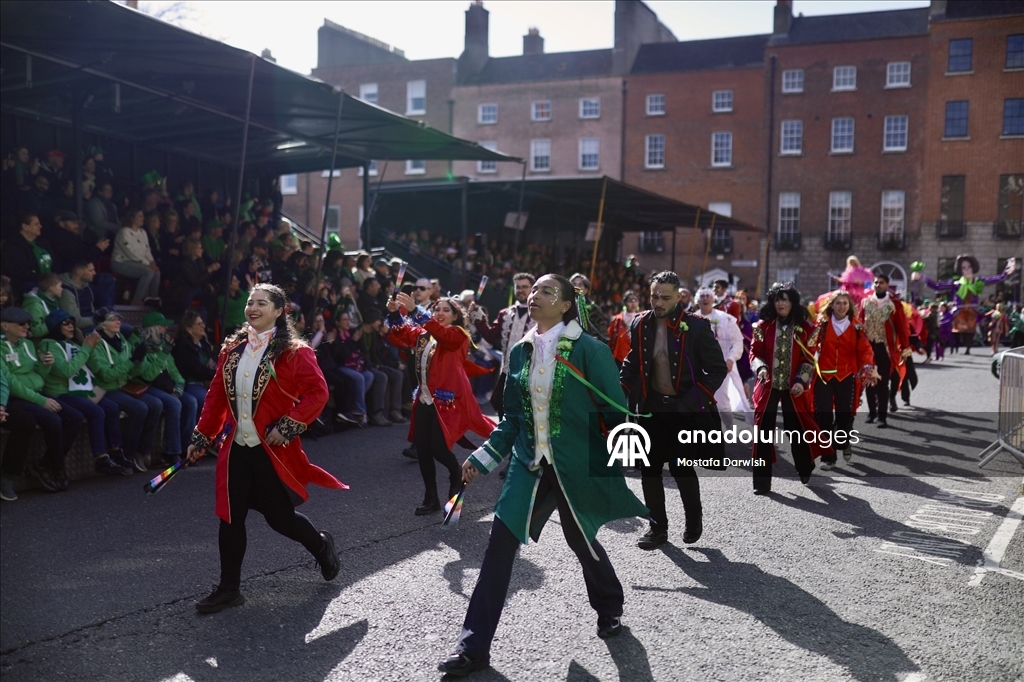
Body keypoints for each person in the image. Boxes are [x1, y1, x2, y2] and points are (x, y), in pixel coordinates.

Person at [439, 274, 648, 677]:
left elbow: (615, 413)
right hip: (527, 463)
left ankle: (609, 604)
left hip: (574, 464)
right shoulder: (520, 351)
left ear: (567, 305)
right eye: (532, 290)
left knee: (580, 539)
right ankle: (473, 646)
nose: (535, 296)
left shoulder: (590, 349)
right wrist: (480, 459)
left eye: (546, 291)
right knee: (498, 547)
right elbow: (512, 420)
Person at [185, 283, 345, 614]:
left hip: (271, 450)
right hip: (236, 449)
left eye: (262, 303)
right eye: (249, 302)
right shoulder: (231, 350)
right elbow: (215, 397)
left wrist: (288, 425)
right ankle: (229, 589)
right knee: (229, 517)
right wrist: (202, 436)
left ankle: (321, 546)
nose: (253, 307)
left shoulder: (295, 352)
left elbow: (318, 392)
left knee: (281, 519)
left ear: (278, 311)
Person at [620, 271, 726, 549]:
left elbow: (716, 370)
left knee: (682, 467)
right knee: (649, 469)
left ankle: (693, 519)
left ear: (678, 297)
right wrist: (618, 388)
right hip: (651, 408)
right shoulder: (640, 324)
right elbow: (634, 362)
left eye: (665, 297)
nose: (658, 302)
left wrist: (690, 402)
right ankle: (657, 529)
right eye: (654, 296)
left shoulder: (698, 327)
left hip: (686, 410)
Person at [387, 291, 495, 516]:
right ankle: (431, 498)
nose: (440, 313)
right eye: (436, 309)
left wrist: (417, 311)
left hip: (448, 402)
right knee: (424, 451)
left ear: (456, 316)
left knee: (438, 448)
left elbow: (446, 339)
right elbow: (400, 335)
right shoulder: (424, 333)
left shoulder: (458, 334)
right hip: (425, 399)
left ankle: (456, 473)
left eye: (446, 310)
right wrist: (395, 313)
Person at [37, 310, 133, 476]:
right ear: (55, 326)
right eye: (65, 323)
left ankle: (116, 452)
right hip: (61, 392)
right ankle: (101, 458)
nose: (71, 326)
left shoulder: (74, 344)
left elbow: (94, 368)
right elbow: (65, 371)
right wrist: (86, 349)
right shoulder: (49, 344)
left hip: (80, 390)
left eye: (72, 322)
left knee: (111, 407)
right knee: (96, 412)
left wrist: (90, 348)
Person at [749, 282, 823, 493]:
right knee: (762, 432)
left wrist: (801, 380)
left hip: (794, 387)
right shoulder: (762, 326)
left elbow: (809, 359)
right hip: (768, 385)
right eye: (777, 299)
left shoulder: (807, 329)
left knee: (797, 428)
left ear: (793, 302)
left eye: (785, 299)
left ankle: (805, 465)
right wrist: (761, 367)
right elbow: (755, 353)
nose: (781, 303)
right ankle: (761, 483)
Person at [0, 307, 81, 492]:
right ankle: (57, 468)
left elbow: (38, 376)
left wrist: (45, 365)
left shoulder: (27, 344)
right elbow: (9, 383)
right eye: (21, 323)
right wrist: (40, 400)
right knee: (52, 420)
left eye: (27, 323)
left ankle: (46, 464)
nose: (26, 326)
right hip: (17, 397)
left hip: (36, 392)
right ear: (5, 325)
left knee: (74, 417)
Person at [806, 290, 877, 470]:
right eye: (838, 303)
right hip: (824, 376)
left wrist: (867, 369)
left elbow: (865, 350)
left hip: (847, 376)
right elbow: (810, 345)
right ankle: (828, 457)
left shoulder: (857, 326)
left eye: (845, 303)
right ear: (831, 305)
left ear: (850, 306)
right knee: (823, 415)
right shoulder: (821, 324)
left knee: (844, 415)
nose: (841, 306)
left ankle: (844, 441)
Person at [88, 307, 162, 473]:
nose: (118, 322)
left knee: (156, 404)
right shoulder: (95, 343)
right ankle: (125, 455)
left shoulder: (122, 339)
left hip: (124, 385)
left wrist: (139, 360)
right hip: (106, 388)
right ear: (102, 325)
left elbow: (134, 372)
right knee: (140, 408)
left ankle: (141, 452)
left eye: (119, 319)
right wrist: (131, 361)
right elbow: (106, 375)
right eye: (113, 319)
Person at [134, 311, 198, 467]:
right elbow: (148, 375)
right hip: (146, 386)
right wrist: (163, 353)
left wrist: (179, 387)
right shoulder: (141, 346)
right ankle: (171, 453)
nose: (166, 329)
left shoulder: (163, 344)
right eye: (163, 326)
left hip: (165, 385)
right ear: (154, 328)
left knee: (190, 401)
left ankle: (185, 449)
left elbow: (174, 371)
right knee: (174, 404)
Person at [917, 255, 1014, 355]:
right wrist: (923, 278)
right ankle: (941, 344)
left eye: (969, 266)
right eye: (964, 267)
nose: (967, 269)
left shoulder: (978, 282)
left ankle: (986, 345)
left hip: (972, 311)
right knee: (946, 324)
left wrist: (1006, 272)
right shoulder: (957, 284)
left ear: (973, 267)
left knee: (985, 321)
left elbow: (994, 279)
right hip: (959, 312)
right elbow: (938, 286)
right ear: (960, 269)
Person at [470, 272, 536, 418]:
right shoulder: (505, 313)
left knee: (525, 416)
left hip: (531, 374)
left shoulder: (540, 314)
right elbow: (490, 336)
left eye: (525, 287)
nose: (521, 290)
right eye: (518, 287)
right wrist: (478, 319)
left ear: (533, 289)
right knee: (503, 412)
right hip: (507, 372)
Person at [692, 287, 752, 428]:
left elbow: (737, 341)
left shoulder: (726, 319)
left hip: (722, 365)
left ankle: (729, 427)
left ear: (713, 299)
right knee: (699, 401)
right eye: (702, 296)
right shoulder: (692, 320)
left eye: (708, 295)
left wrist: (731, 359)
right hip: (698, 367)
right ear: (697, 300)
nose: (705, 298)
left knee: (722, 402)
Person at [859, 274, 910, 428]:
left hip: (885, 348)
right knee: (868, 380)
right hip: (868, 348)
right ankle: (871, 412)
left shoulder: (894, 304)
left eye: (881, 282)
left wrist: (905, 348)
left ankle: (882, 415)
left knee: (882, 383)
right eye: (876, 282)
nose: (878, 285)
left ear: (887, 285)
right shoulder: (865, 302)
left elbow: (901, 326)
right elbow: (860, 324)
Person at [172, 310, 217, 420]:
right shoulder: (183, 346)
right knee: (207, 399)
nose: (203, 326)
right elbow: (198, 370)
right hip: (190, 383)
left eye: (203, 323)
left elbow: (210, 363)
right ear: (189, 329)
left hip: (204, 381)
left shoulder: (204, 344)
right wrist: (218, 374)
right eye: (199, 324)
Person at [112, 208, 161, 306]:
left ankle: (152, 299)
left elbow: (147, 250)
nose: (142, 218)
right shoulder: (124, 232)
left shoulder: (143, 232)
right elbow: (131, 252)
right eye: (140, 216)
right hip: (121, 262)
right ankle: (136, 300)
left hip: (138, 262)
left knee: (156, 271)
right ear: (132, 218)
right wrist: (147, 264)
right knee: (148, 271)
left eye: (143, 216)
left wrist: (152, 262)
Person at [1, 213, 53, 294]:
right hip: (27, 285)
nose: (40, 226)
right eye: (36, 224)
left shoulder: (43, 242)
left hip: (50, 282)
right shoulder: (13, 245)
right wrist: (43, 279)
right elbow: (18, 270)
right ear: (25, 226)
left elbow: (55, 261)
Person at [569, 272, 609, 343]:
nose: (576, 287)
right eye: (574, 284)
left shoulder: (594, 308)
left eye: (580, 285)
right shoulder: (565, 306)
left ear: (586, 290)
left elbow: (602, 330)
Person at [23, 272, 63, 341]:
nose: (62, 289)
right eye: (60, 286)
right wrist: (55, 320)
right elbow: (36, 332)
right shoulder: (35, 305)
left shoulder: (53, 302)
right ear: (51, 288)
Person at [607, 289, 640, 366]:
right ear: (624, 303)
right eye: (630, 301)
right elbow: (609, 337)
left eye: (635, 300)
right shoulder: (617, 320)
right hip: (618, 358)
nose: (633, 303)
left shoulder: (642, 319)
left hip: (635, 358)